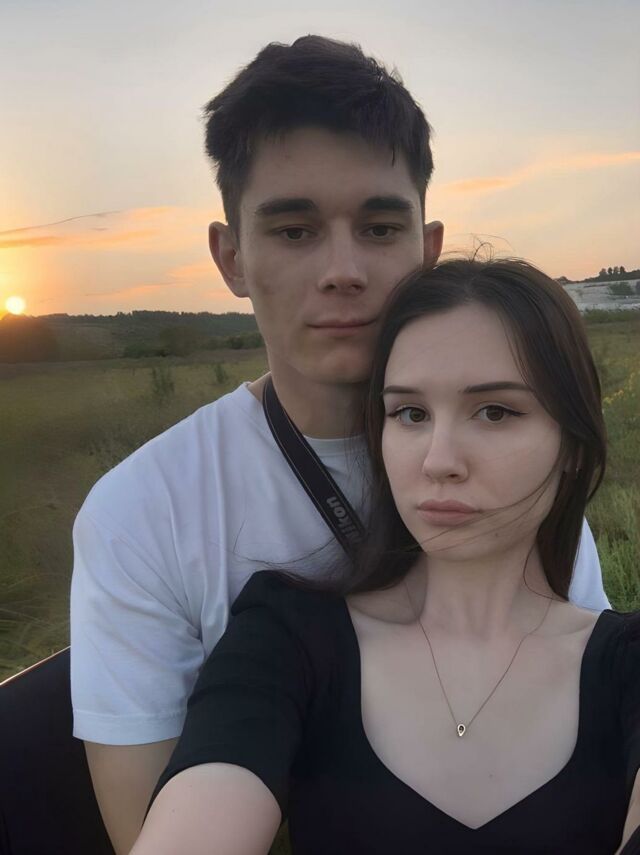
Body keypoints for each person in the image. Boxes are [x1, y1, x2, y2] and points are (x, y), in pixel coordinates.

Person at [69, 36, 609, 854]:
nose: (344, 269)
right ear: (231, 257)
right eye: (294, 231)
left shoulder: (517, 481)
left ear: (427, 249)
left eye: (380, 227)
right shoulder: (144, 514)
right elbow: (156, 824)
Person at [131, 258, 639, 855]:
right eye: (410, 414)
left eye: (495, 412)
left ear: (573, 445)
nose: (438, 460)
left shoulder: (627, 666)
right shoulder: (286, 640)